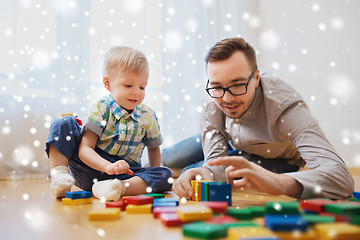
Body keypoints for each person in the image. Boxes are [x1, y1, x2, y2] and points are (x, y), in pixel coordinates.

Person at [169, 37, 354, 200]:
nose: (226, 98)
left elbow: (341, 178)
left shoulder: (287, 109)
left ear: (256, 78)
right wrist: (208, 169)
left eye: (238, 84)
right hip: (233, 142)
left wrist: (281, 183)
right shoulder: (211, 95)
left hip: (277, 159)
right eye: (217, 86)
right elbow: (216, 159)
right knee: (170, 158)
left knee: (204, 171)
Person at [46, 46, 172, 201]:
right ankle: (60, 179)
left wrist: (152, 177)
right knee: (63, 123)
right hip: (90, 165)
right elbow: (85, 149)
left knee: (165, 175)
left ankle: (115, 188)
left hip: (126, 172)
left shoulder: (148, 115)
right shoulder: (102, 107)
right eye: (128, 85)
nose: (137, 92)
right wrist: (107, 166)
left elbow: (154, 149)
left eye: (142, 87)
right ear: (108, 83)